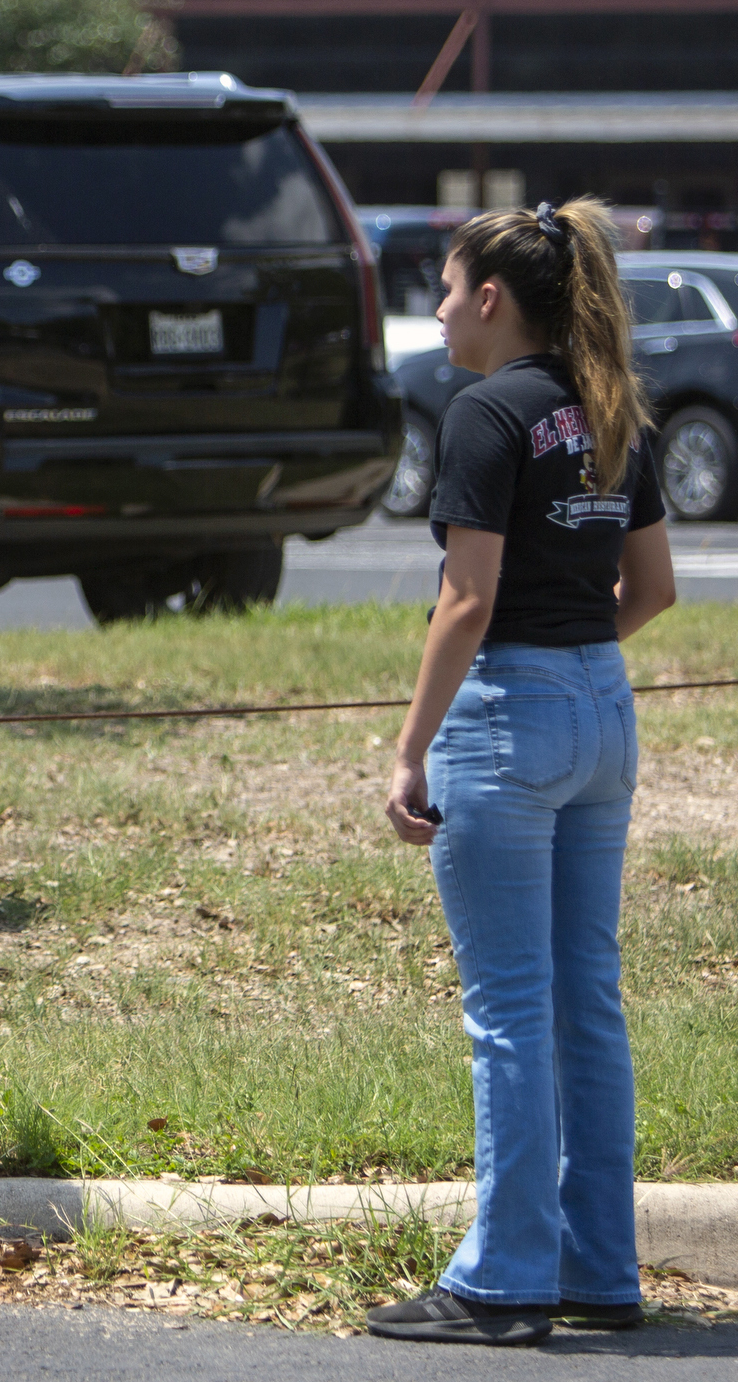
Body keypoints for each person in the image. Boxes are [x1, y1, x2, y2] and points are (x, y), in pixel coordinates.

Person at [369, 198, 677, 1347]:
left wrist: (409, 748)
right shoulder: (611, 409)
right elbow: (650, 590)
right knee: (583, 999)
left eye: (446, 289)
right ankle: (600, 1268)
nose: (440, 310)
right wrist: (575, 664)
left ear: (491, 298)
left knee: (507, 1009)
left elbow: (467, 598)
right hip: (602, 704)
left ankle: (502, 1279)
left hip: (509, 712)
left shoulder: (484, 411)